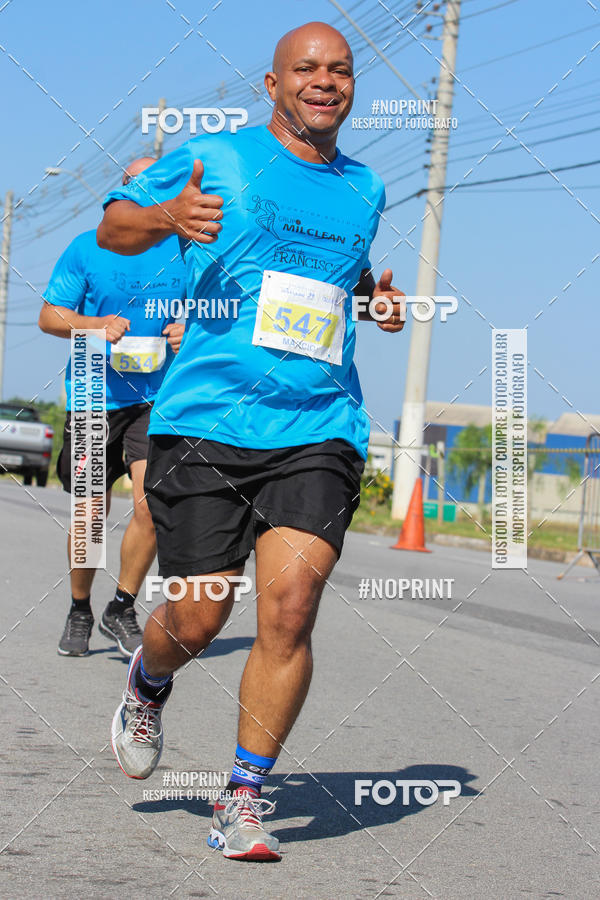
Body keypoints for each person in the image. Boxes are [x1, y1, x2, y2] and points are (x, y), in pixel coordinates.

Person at [97, 22, 404, 861]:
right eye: (305, 68)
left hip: (318, 425)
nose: (324, 81)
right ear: (272, 85)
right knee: (198, 617)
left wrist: (376, 299)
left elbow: (343, 275)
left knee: (291, 608)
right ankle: (150, 679)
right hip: (208, 421)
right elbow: (113, 229)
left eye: (339, 70)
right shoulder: (220, 157)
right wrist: (165, 214)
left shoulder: (367, 186)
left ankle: (241, 797)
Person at [39, 157, 186, 659]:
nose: (151, 189)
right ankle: (80, 608)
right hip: (92, 396)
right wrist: (94, 323)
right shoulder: (87, 247)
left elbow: (216, 311)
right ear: (122, 190)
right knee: (89, 517)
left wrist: (188, 328)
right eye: (140, 182)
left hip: (155, 399)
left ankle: (121, 606)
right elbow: (49, 316)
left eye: (160, 181)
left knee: (152, 507)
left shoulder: (184, 249)